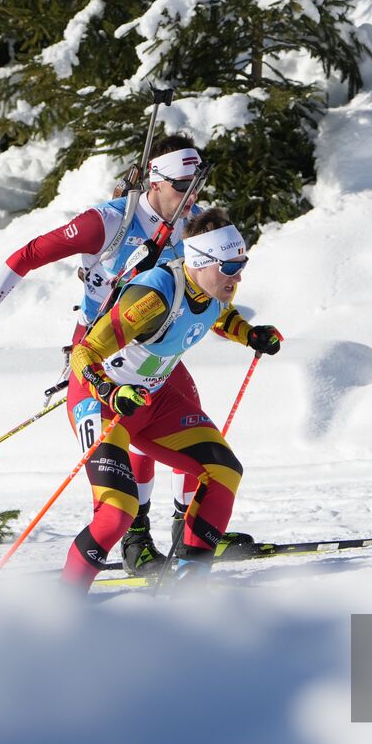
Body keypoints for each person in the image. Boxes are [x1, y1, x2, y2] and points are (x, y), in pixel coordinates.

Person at [0, 135, 212, 573]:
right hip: (102, 350)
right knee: (128, 440)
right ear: (155, 182)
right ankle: (135, 540)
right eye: (183, 185)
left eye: (197, 183)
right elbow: (26, 256)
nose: (192, 196)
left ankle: (189, 532)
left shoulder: (196, 223)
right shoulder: (108, 222)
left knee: (189, 429)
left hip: (156, 349)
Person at [60, 206, 283, 589]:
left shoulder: (211, 286)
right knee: (117, 512)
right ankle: (61, 607)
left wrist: (249, 333)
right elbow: (85, 352)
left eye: (241, 264)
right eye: (229, 267)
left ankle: (190, 588)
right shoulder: (152, 295)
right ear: (200, 262)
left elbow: (215, 315)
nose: (238, 275)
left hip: (152, 400)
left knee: (224, 472)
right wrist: (110, 390)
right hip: (101, 401)